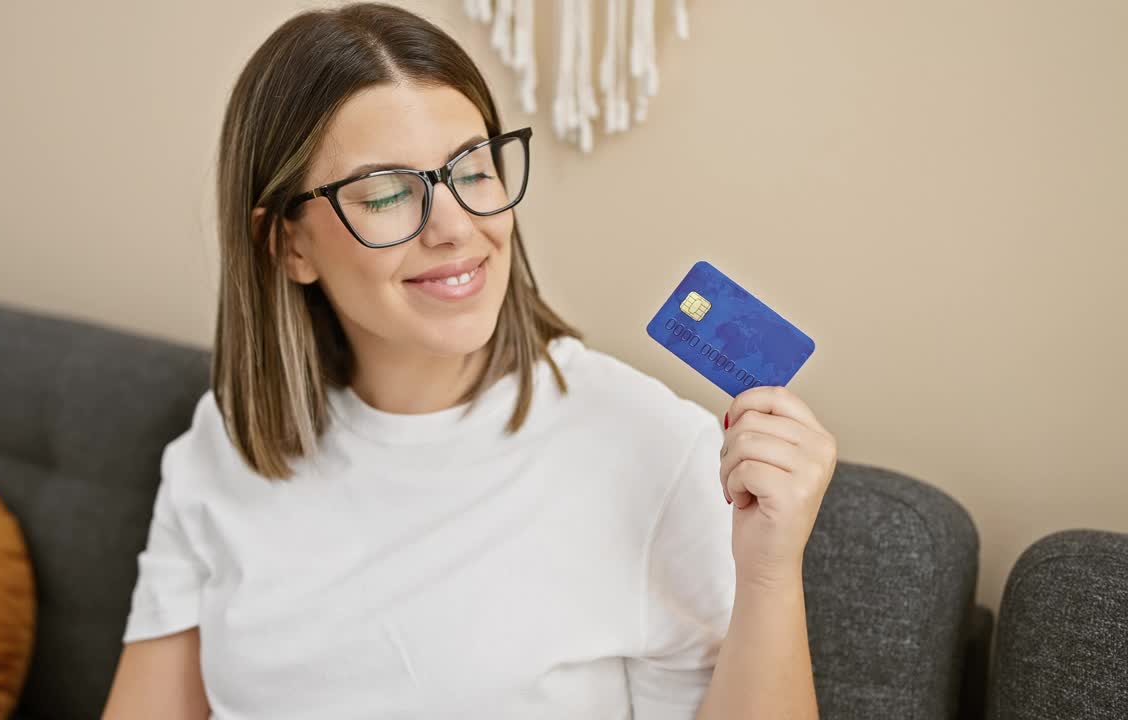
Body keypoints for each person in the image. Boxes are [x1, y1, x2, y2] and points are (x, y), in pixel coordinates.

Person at [102, 3, 836, 719]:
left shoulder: (654, 445)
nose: (457, 228)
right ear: (286, 244)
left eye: (473, 170)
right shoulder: (225, 441)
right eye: (387, 192)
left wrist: (769, 576)